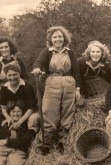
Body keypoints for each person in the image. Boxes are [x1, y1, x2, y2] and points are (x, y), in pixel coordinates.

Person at [32, 26, 81, 154]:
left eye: (60, 36)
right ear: (50, 39)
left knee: (68, 110)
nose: (57, 39)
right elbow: (39, 62)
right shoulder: (47, 51)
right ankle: (48, 141)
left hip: (69, 82)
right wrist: (37, 68)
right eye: (55, 37)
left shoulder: (70, 52)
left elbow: (76, 71)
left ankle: (63, 141)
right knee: (49, 109)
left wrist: (78, 88)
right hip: (52, 82)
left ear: (64, 38)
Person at [0, 61, 39, 133]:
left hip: (27, 114)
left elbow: (31, 108)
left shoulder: (27, 86)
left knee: (33, 119)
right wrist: (8, 118)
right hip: (14, 115)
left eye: (15, 74)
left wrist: (19, 122)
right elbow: (3, 108)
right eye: (9, 75)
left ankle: (32, 136)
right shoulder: (4, 88)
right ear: (6, 75)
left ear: (19, 74)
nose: (12, 77)